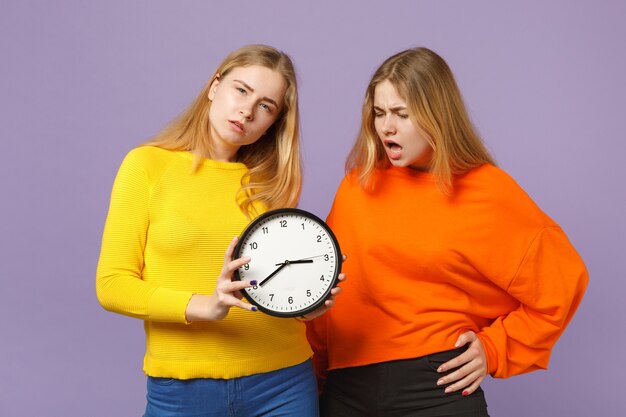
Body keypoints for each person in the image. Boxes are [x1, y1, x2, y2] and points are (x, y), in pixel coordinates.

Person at [305, 47, 588, 417]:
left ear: (437, 115)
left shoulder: (486, 190)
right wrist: (312, 381)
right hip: (345, 389)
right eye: (379, 113)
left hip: (435, 388)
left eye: (402, 114)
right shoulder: (357, 186)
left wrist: (494, 349)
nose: (386, 127)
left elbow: (561, 282)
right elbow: (331, 298)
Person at [96, 44, 343, 417]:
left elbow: (272, 291)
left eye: (266, 105)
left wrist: (309, 310)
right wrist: (204, 306)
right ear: (215, 87)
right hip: (182, 391)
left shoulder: (273, 185)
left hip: (283, 385)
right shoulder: (146, 166)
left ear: (274, 122)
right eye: (241, 90)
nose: (247, 110)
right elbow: (112, 285)